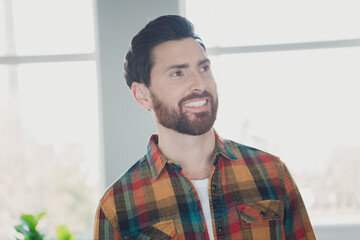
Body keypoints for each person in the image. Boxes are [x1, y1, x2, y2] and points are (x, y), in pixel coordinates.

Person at [93, 15, 316, 240]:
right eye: (177, 73)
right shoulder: (116, 207)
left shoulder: (272, 173)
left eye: (204, 68)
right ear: (142, 95)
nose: (199, 84)